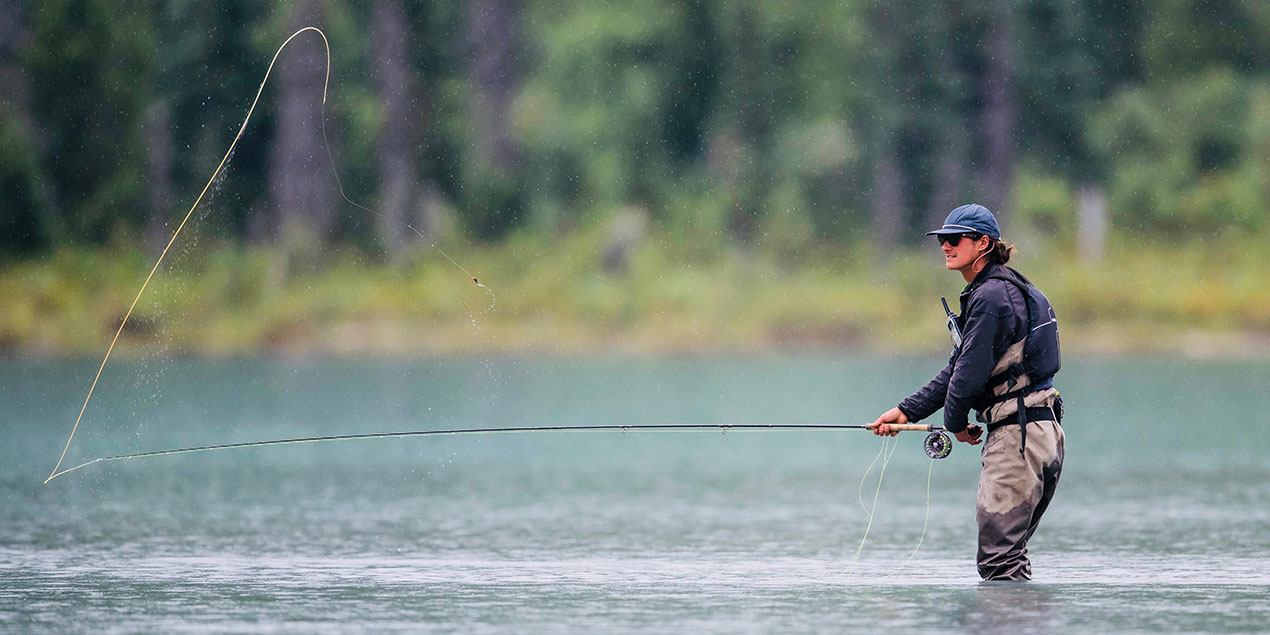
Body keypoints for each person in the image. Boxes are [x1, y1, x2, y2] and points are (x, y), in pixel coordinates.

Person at [868, 203, 1065, 581]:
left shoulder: (991, 298)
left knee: (999, 563)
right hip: (1043, 434)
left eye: (954, 238)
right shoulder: (1004, 289)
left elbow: (967, 377)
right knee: (1008, 560)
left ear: (984, 244)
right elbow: (961, 370)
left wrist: (955, 424)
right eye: (942, 239)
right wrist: (906, 411)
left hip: (1018, 439)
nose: (945, 246)